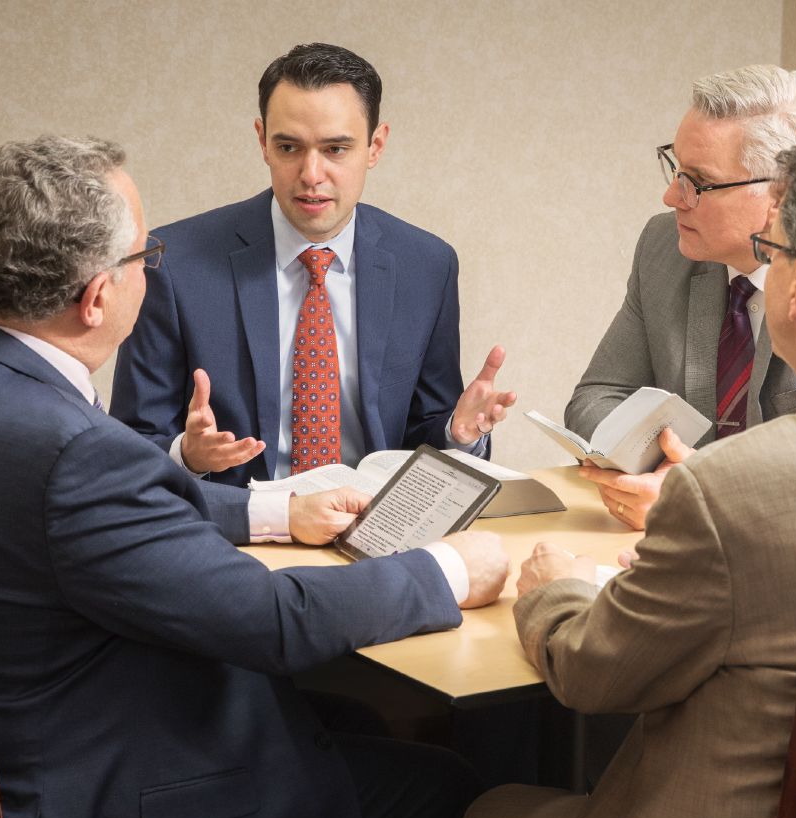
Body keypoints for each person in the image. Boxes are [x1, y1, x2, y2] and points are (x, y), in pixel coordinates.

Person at [0, 135, 511, 818]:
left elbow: (101, 516)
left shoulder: (14, 400)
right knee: (450, 784)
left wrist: (274, 510)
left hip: (48, 728)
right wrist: (448, 569)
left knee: (346, 715)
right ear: (98, 296)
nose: (151, 271)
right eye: (145, 257)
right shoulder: (75, 451)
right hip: (115, 781)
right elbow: (274, 621)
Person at [460, 128, 796, 818]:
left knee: (481, 808)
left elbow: (594, 676)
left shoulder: (729, 491)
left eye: (769, 255)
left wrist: (552, 588)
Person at [110, 42, 516, 487]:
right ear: (263, 141)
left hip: (376, 529)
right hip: (241, 532)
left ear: (375, 146)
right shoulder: (173, 263)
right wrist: (188, 456)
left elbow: (423, 434)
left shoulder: (427, 265)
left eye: (336, 149)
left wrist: (456, 434)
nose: (311, 174)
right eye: (289, 147)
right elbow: (132, 444)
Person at [565, 64, 796, 531]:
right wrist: (665, 471)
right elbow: (596, 398)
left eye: (699, 182)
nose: (672, 196)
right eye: (675, 167)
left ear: (780, 196)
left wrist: (697, 493)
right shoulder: (664, 246)